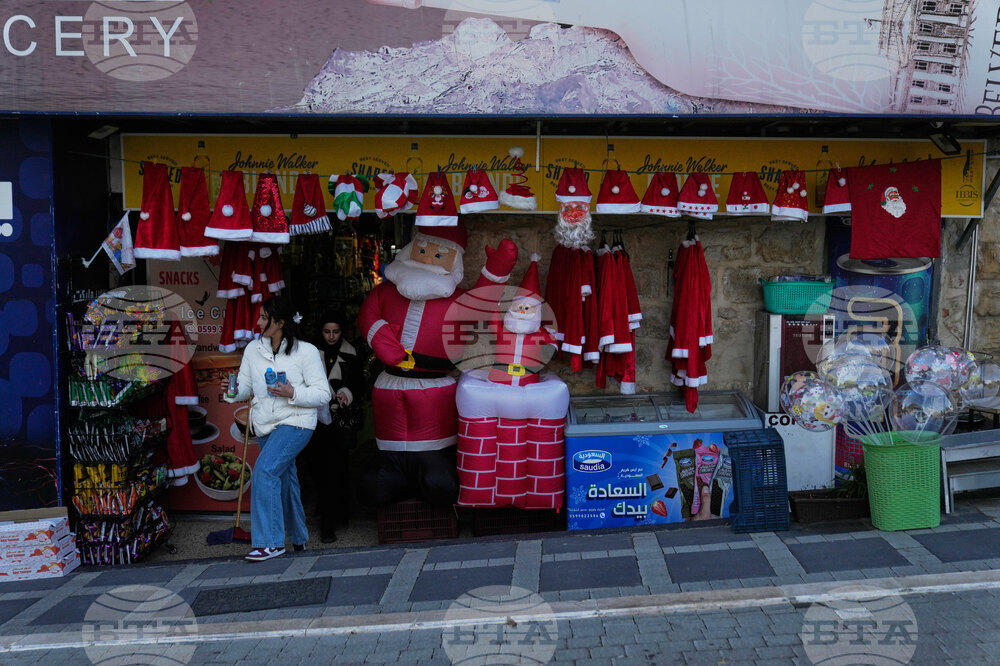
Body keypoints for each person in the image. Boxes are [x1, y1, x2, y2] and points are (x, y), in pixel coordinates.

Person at [357, 221, 517, 507]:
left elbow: (481, 302)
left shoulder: (457, 301)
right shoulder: (385, 293)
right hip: (390, 384)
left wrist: (496, 271)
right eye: (423, 250)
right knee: (380, 478)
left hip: (435, 387)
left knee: (436, 475)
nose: (429, 259)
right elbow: (369, 315)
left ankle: (433, 469)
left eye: (439, 255)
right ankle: (389, 471)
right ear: (409, 251)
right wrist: (380, 337)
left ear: (454, 262)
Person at [222, 296, 331, 561]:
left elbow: (323, 395)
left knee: (265, 472)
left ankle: (270, 543)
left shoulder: (306, 352)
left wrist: (292, 392)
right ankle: (298, 539)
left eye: (263, 317)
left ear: (280, 322)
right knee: (285, 480)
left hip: (296, 422)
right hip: (264, 424)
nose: (257, 322)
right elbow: (246, 387)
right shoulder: (252, 350)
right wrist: (232, 392)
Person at [300, 310, 364, 543]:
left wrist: (346, 393)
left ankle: (331, 519)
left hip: (338, 419)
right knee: (316, 466)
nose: (331, 336)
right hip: (314, 417)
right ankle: (329, 510)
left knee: (335, 469)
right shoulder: (309, 351)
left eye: (335, 332)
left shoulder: (351, 351)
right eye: (327, 331)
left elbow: (358, 382)